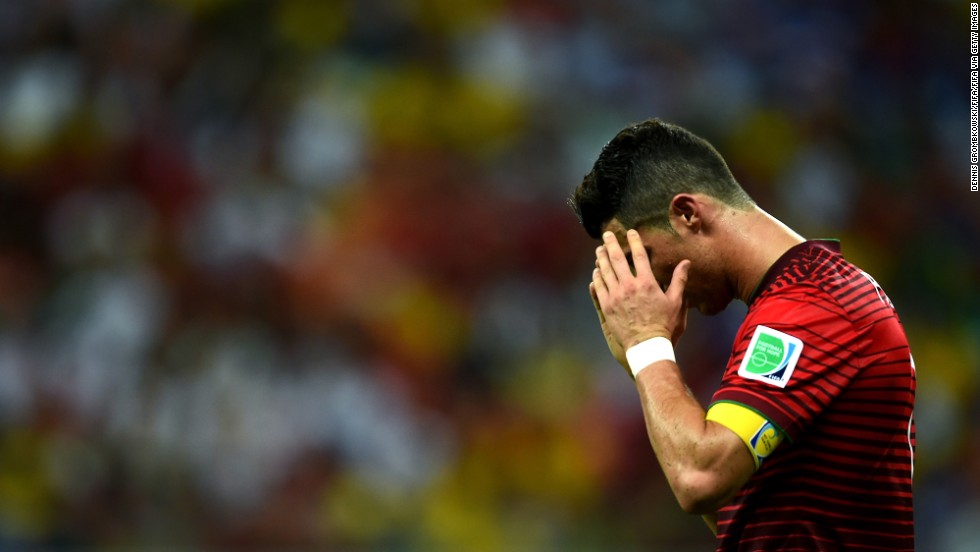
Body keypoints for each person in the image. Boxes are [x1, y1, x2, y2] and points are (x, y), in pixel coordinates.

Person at [569, 119, 915, 551]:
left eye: (642, 256)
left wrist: (647, 346)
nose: (647, 284)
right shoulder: (810, 296)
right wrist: (643, 360)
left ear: (687, 214)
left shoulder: (810, 307)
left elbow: (699, 478)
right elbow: (752, 520)